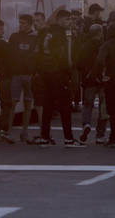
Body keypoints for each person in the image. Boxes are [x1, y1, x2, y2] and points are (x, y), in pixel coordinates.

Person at [34, 9, 85, 147]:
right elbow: (66, 56)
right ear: (60, 20)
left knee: (48, 106)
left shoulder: (47, 32)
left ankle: (45, 137)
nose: (69, 22)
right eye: (67, 19)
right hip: (60, 74)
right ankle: (68, 138)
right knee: (65, 106)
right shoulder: (62, 35)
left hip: (46, 73)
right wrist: (68, 70)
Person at [8, 14, 38, 144]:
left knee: (28, 104)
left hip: (30, 75)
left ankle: (24, 132)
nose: (21, 25)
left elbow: (37, 55)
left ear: (30, 24)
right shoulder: (14, 37)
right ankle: (7, 132)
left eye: (24, 23)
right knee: (12, 103)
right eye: (20, 23)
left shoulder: (35, 38)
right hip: (16, 73)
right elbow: (9, 54)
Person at [76, 24, 108, 145]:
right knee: (103, 107)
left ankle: (86, 124)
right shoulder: (104, 46)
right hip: (103, 80)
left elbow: (78, 63)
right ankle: (100, 135)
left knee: (87, 104)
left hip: (88, 80)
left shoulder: (85, 46)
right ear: (100, 33)